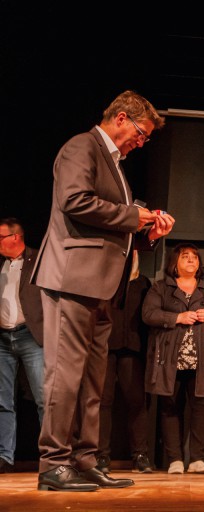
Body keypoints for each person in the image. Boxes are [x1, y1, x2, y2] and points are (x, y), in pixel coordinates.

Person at [30, 90, 175, 492]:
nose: (141, 143)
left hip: (101, 287)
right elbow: (75, 202)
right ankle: (53, 463)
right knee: (64, 378)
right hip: (71, 279)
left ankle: (85, 458)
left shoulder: (113, 163)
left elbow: (112, 230)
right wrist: (133, 215)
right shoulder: (82, 147)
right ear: (122, 118)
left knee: (93, 382)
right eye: (141, 134)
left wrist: (147, 232)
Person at [142, 243, 204, 475]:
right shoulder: (161, 287)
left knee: (203, 408)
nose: (191, 260)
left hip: (203, 360)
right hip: (172, 358)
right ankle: (175, 459)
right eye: (185, 256)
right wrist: (177, 317)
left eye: (194, 257)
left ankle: (198, 459)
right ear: (175, 262)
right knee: (170, 407)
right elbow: (148, 314)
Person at [96, 250, 153, 474]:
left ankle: (140, 455)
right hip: (105, 347)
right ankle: (100, 456)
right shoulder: (103, 280)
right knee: (102, 400)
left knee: (137, 401)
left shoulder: (144, 283)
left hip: (133, 349)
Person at [0, 218, 44, 474]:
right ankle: (4, 455)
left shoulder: (37, 260)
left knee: (43, 398)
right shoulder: (1, 265)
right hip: (3, 339)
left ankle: (51, 456)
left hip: (30, 335)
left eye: (1, 237)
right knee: (3, 401)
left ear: (15, 237)